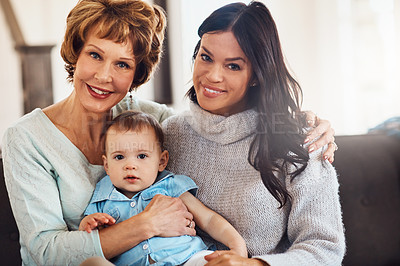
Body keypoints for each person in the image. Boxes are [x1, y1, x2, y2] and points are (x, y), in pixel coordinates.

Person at [1, 0, 336, 265]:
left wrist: (299, 121)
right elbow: (43, 253)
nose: (104, 76)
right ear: (76, 52)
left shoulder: (156, 124)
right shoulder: (28, 139)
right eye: (95, 55)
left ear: (136, 75)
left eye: (122, 64)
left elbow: (220, 125)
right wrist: (147, 224)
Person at [161, 1, 345, 265]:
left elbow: (325, 249)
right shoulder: (169, 134)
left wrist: (254, 264)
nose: (212, 76)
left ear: (257, 74)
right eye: (206, 57)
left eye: (233, 66)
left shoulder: (301, 141)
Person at [79, 110, 247, 265]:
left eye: (142, 156)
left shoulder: (170, 186)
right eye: (119, 157)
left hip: (187, 258)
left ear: (161, 161)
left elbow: (209, 220)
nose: (130, 165)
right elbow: (89, 242)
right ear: (106, 165)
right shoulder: (102, 197)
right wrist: (87, 225)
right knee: (92, 263)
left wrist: (237, 248)